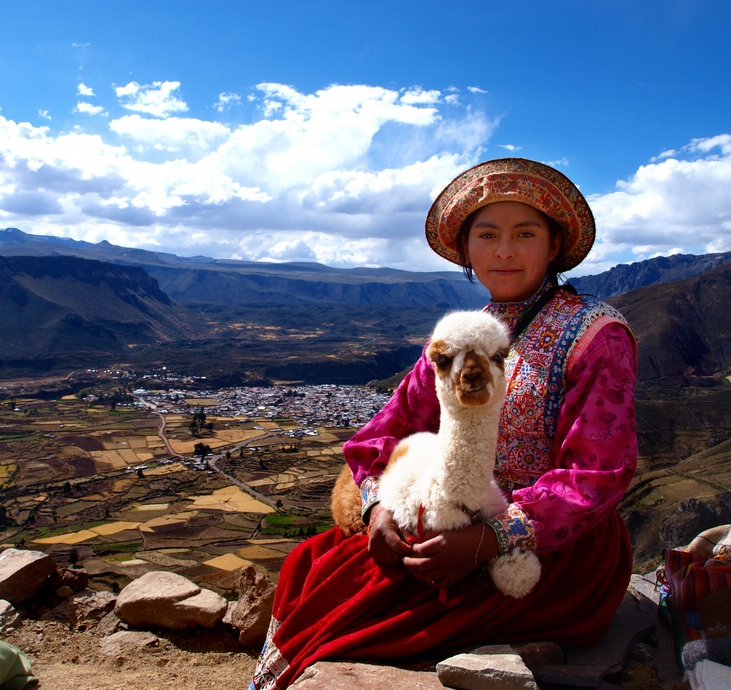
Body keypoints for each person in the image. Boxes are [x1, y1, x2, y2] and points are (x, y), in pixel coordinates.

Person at [250, 158, 638, 690]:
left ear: (553, 246)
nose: (504, 250)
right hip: (450, 519)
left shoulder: (596, 336)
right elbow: (382, 433)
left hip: (555, 548)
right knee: (311, 564)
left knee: (354, 615)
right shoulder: (463, 334)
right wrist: (379, 509)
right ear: (467, 249)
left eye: (524, 234)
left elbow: (598, 473)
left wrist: (491, 538)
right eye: (488, 235)